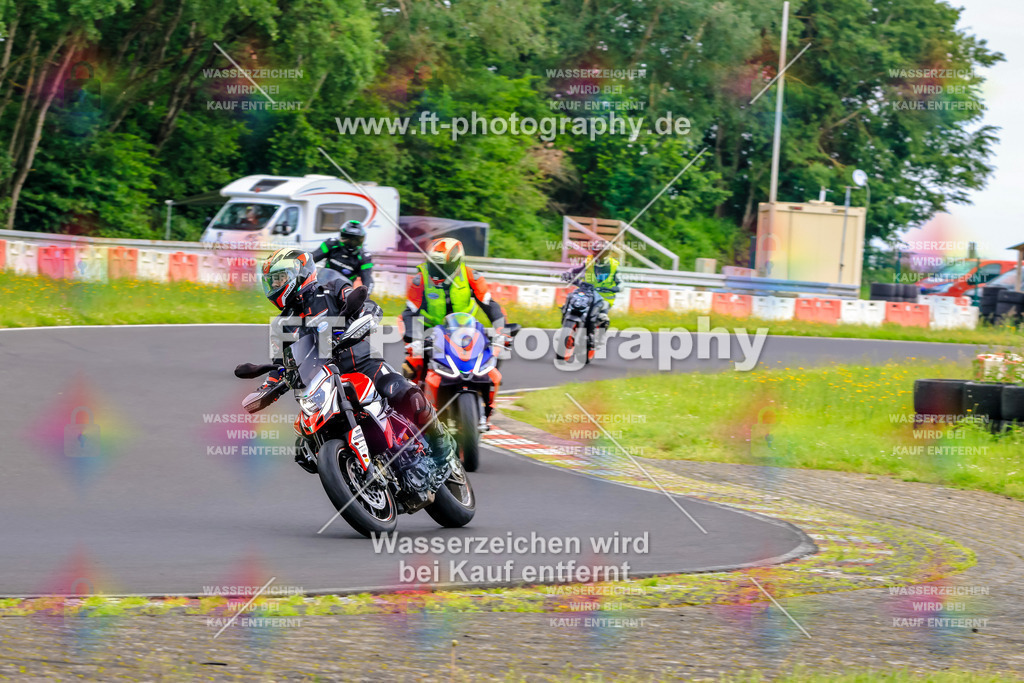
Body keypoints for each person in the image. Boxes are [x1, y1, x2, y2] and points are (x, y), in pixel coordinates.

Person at [244, 248, 455, 476]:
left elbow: (362, 302)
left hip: (364, 364)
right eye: (272, 281)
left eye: (280, 278)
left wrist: (367, 312)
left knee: (405, 393)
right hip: (322, 382)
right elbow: (280, 365)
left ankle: (439, 439)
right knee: (305, 446)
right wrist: (267, 389)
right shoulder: (281, 325)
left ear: (301, 272)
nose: (276, 285)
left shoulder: (331, 289)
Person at [401, 238, 510, 385]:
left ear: (456, 263)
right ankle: (413, 399)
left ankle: (488, 400)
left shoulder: (472, 276)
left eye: (442, 266)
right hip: (431, 331)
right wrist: (413, 338)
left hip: (466, 329)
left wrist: (501, 331)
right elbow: (409, 312)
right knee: (414, 362)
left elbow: (490, 305)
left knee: (496, 351)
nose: (436, 269)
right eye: (433, 265)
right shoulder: (420, 280)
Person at [560, 239, 621, 357]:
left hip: (604, 296)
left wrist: (616, 288)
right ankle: (568, 323)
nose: (597, 255)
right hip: (586, 291)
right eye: (595, 252)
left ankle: (599, 337)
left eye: (600, 253)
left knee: (602, 316)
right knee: (571, 298)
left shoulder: (614, 265)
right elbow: (576, 269)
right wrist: (568, 273)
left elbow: (621, 282)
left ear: (606, 253)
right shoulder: (589, 261)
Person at [312, 220, 375, 293]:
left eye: (355, 240)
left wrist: (365, 296)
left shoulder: (364, 257)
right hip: (322, 285)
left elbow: (367, 279)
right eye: (347, 239)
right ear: (342, 236)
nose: (351, 243)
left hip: (342, 292)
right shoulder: (331, 244)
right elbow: (312, 258)